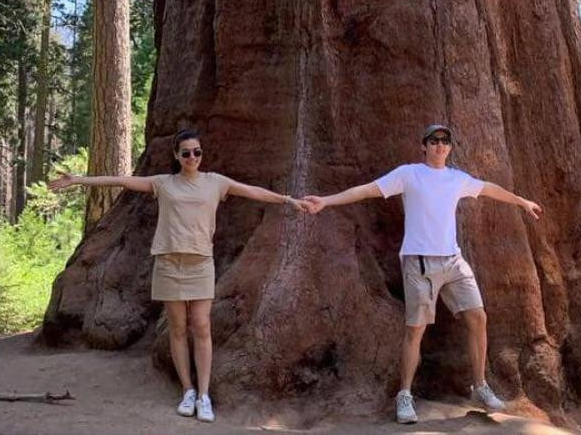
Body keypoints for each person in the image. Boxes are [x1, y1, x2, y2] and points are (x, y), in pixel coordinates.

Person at [51, 127, 303, 421]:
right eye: (186, 153)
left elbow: (252, 191)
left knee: (202, 327)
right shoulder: (164, 183)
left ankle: (205, 395)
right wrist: (79, 180)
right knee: (178, 329)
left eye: (197, 152)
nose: (192, 157)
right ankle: (188, 390)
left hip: (200, 264)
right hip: (169, 264)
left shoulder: (215, 183)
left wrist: (287, 200)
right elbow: (123, 180)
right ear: (176, 156)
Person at [303, 122, 542, 425]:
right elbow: (367, 190)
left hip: (453, 261)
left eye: (445, 141)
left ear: (450, 148)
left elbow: (489, 189)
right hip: (419, 263)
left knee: (478, 317)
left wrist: (521, 202)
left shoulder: (457, 179)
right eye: (434, 140)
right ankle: (405, 395)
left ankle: (480, 386)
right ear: (424, 146)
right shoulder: (409, 174)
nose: (440, 145)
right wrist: (326, 201)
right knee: (415, 330)